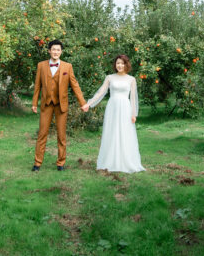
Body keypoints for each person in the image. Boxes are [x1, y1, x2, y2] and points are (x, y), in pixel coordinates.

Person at [82, 55, 145, 173]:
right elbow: (101, 92)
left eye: (122, 63)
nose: (120, 65)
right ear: (115, 65)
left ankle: (125, 161)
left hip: (125, 108)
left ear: (126, 64)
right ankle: (109, 161)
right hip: (112, 108)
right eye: (118, 63)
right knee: (111, 133)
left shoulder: (131, 79)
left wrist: (133, 113)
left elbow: (133, 98)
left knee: (125, 133)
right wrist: (89, 104)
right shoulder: (110, 78)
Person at [31, 39, 87, 171]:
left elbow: (75, 85)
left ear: (61, 52)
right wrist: (34, 103)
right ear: (49, 51)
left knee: (61, 135)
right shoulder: (41, 65)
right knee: (42, 134)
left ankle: (61, 163)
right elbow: (37, 86)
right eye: (53, 49)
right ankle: (37, 163)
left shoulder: (68, 67)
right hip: (46, 104)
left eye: (58, 50)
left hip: (61, 105)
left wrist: (82, 103)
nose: (56, 52)